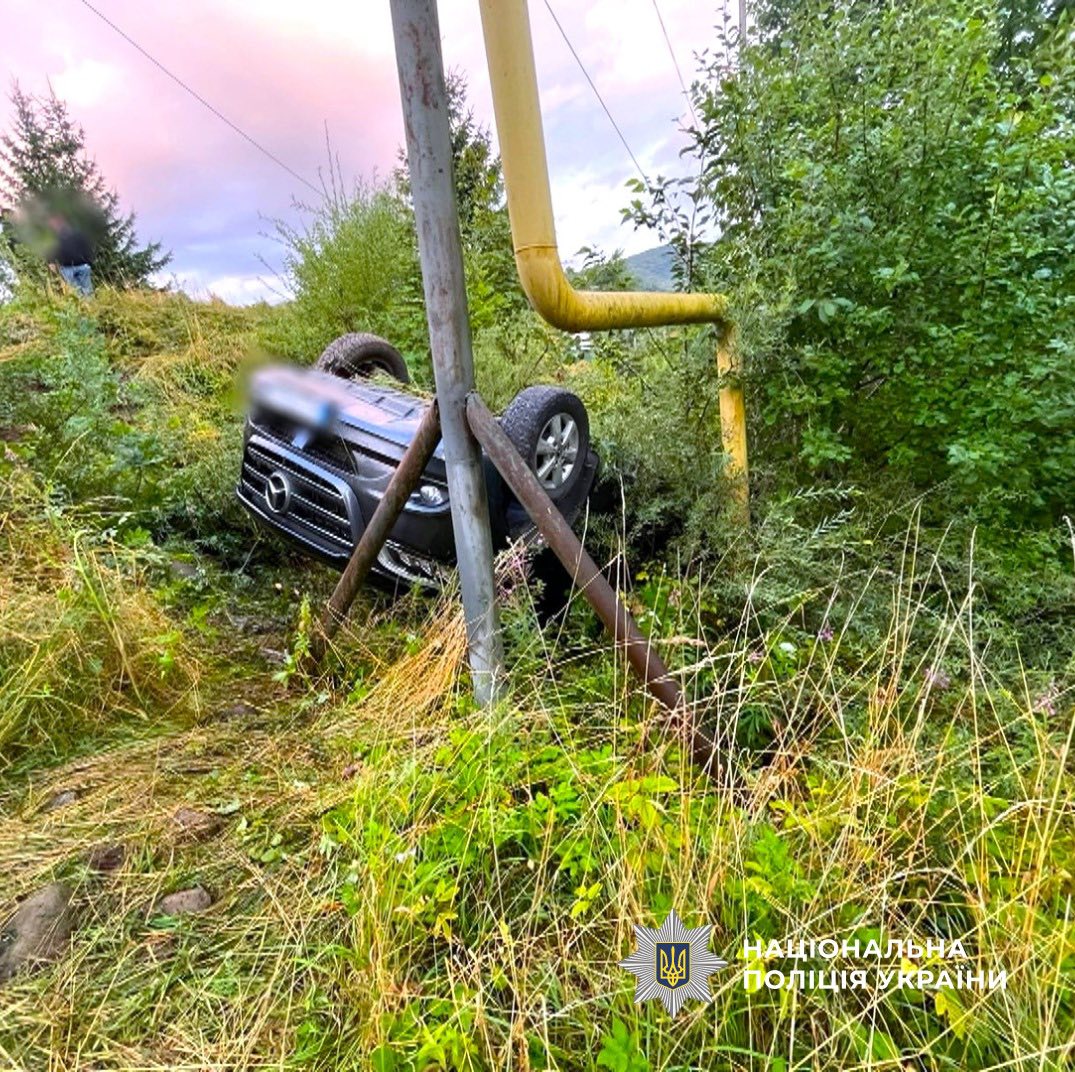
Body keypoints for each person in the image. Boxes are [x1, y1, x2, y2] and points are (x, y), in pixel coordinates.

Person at [49, 214, 95, 296]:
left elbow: (87, 247)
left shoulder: (78, 233)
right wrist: (51, 262)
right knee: (75, 294)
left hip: (82, 266)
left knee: (87, 292)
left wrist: (89, 263)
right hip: (66, 268)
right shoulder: (55, 237)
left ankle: (90, 308)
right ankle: (82, 308)